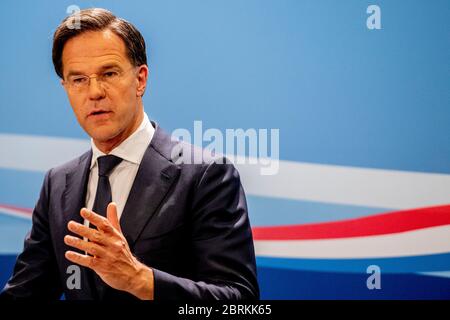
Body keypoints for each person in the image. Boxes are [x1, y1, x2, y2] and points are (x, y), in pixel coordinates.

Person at [0, 8, 259, 300]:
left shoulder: (205, 174)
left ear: (140, 79)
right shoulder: (58, 183)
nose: (94, 92)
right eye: (78, 79)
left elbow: (240, 300)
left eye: (108, 73)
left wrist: (140, 279)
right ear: (66, 87)